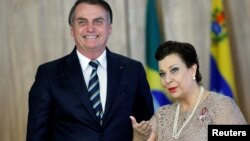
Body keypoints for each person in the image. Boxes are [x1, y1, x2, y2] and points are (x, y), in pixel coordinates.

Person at [26, 0, 154, 141]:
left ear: (109, 28)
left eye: (98, 21)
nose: (90, 28)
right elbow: (36, 136)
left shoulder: (133, 71)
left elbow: (148, 127)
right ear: (72, 29)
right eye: (82, 22)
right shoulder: (48, 75)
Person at [130, 40, 247, 141]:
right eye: (162, 74)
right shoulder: (161, 116)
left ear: (192, 70)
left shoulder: (221, 107)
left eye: (174, 70)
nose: (167, 79)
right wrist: (139, 138)